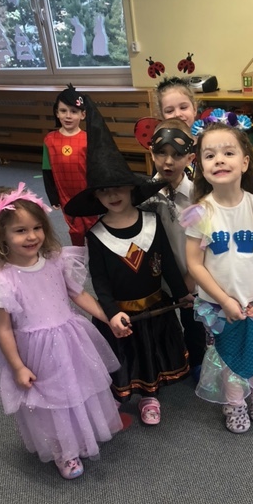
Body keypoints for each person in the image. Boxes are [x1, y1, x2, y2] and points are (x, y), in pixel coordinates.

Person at [0, 183, 123, 480]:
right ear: (1, 234)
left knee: (79, 388)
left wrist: (108, 317)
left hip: (70, 341)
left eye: (37, 227)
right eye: (20, 231)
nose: (31, 236)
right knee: (51, 401)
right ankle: (64, 451)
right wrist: (17, 366)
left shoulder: (57, 260)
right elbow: (3, 329)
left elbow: (78, 294)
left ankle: (83, 434)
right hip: (35, 352)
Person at [65, 95, 191, 426]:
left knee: (151, 354)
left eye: (119, 187)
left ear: (132, 188)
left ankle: (150, 396)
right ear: (96, 197)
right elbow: (100, 282)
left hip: (155, 307)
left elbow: (169, 264)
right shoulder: (96, 236)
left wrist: (182, 294)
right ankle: (122, 395)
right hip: (122, 313)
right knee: (126, 356)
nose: (113, 195)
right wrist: (109, 313)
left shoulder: (152, 221)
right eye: (104, 191)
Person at [181, 118, 253, 434]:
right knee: (228, 359)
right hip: (219, 307)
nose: (219, 160)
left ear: (244, 162)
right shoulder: (200, 213)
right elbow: (195, 264)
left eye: (228, 153)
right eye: (210, 155)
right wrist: (224, 300)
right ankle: (235, 405)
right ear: (201, 167)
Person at [147, 118, 206, 379]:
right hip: (157, 280)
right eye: (161, 153)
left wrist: (191, 278)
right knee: (161, 325)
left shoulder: (198, 197)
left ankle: (198, 361)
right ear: (152, 153)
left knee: (193, 323)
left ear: (190, 158)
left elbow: (206, 240)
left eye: (177, 155)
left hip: (190, 274)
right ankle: (168, 363)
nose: (168, 162)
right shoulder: (143, 196)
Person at [42, 84, 98, 246]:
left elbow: (96, 169)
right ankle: (78, 255)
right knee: (76, 230)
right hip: (66, 195)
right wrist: (53, 196)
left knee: (93, 227)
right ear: (56, 113)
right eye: (63, 111)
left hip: (88, 193)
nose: (68, 116)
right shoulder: (50, 140)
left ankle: (97, 254)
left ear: (83, 114)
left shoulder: (88, 139)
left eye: (74, 111)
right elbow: (46, 170)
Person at [154, 76, 198, 179]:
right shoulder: (161, 147)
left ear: (194, 109)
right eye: (169, 111)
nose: (178, 114)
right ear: (162, 116)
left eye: (183, 107)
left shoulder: (204, 144)